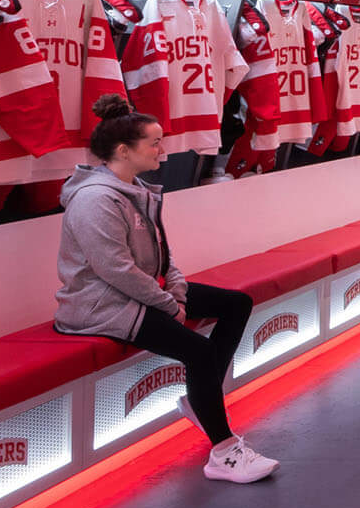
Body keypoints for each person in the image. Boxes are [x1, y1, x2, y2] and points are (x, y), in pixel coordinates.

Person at [55, 95, 277, 483]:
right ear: (123, 151)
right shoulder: (94, 200)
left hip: (138, 294)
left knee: (237, 303)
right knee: (200, 352)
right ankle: (223, 450)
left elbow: (162, 254)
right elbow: (115, 270)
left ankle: (200, 398)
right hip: (100, 306)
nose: (163, 149)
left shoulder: (135, 189)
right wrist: (166, 303)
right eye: (154, 143)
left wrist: (174, 293)